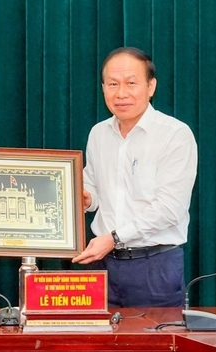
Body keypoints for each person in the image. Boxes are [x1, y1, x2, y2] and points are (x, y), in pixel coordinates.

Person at [71, 47, 197, 308]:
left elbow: (169, 209)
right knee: (97, 346)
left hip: (154, 267)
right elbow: (93, 184)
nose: (121, 94)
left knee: (155, 347)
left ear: (151, 86)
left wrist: (113, 238)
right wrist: (82, 198)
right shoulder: (99, 133)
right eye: (113, 84)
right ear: (103, 87)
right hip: (101, 265)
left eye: (131, 83)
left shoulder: (174, 134)